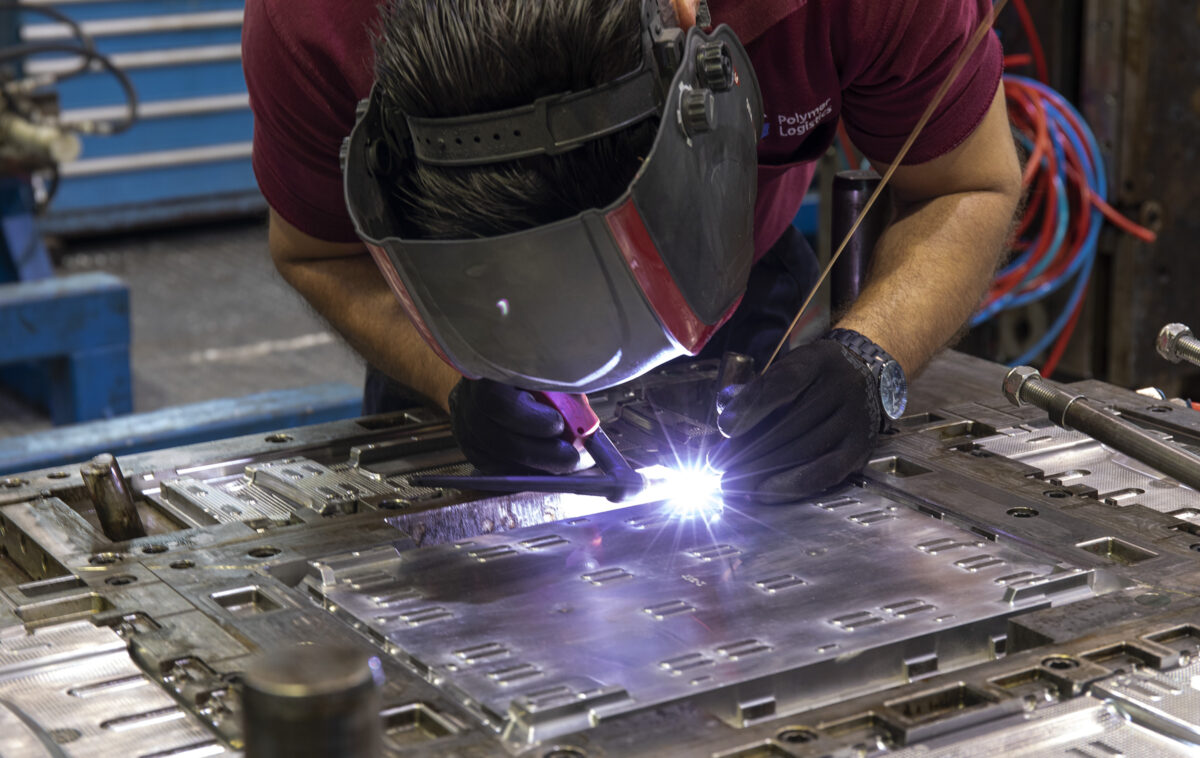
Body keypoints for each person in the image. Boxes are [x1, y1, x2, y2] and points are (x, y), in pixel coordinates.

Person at [243, 0, 1021, 502]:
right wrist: (455, 380)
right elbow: (320, 252)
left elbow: (965, 184)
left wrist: (870, 359)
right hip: (475, 335)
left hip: (741, 308)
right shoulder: (314, 24)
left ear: (686, 22)